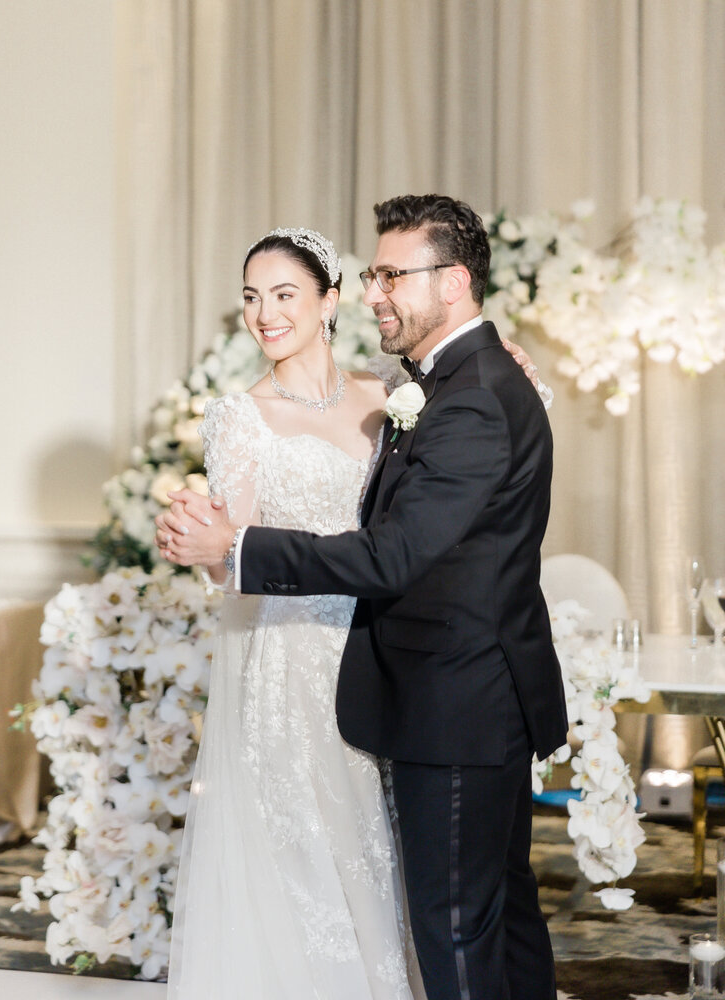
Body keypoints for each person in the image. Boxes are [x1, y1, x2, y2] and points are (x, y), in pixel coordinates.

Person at [160, 199, 567, 1000]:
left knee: (450, 914)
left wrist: (495, 358)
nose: (264, 312)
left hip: (425, 675)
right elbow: (229, 552)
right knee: (445, 901)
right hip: (325, 667)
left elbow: (398, 546)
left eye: (391, 275)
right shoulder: (400, 390)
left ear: (325, 301)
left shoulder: (421, 390)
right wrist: (210, 543)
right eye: (251, 296)